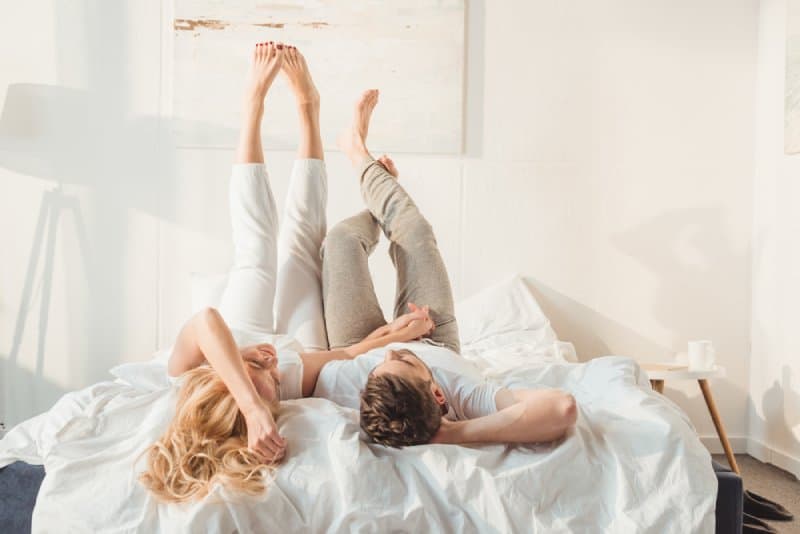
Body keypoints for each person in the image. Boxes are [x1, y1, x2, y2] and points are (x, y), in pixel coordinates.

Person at [140, 42, 431, 503]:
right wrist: (396, 335)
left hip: (236, 331)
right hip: (293, 352)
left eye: (258, 369)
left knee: (256, 247)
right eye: (272, 382)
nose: (270, 363)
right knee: (301, 247)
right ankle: (309, 110)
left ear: (227, 383)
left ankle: (252, 105)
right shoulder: (283, 381)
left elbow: (205, 321)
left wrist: (253, 398)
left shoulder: (186, 374)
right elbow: (347, 354)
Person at [314, 89, 578, 448]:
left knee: (341, 241)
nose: (393, 353)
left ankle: (374, 185)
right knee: (416, 231)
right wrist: (453, 432)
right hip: (433, 333)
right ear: (439, 394)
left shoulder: (349, 381)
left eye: (384, 365)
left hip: (359, 344)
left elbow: (328, 365)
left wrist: (383, 344)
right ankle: (363, 160)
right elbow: (562, 409)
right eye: (405, 361)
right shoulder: (464, 391)